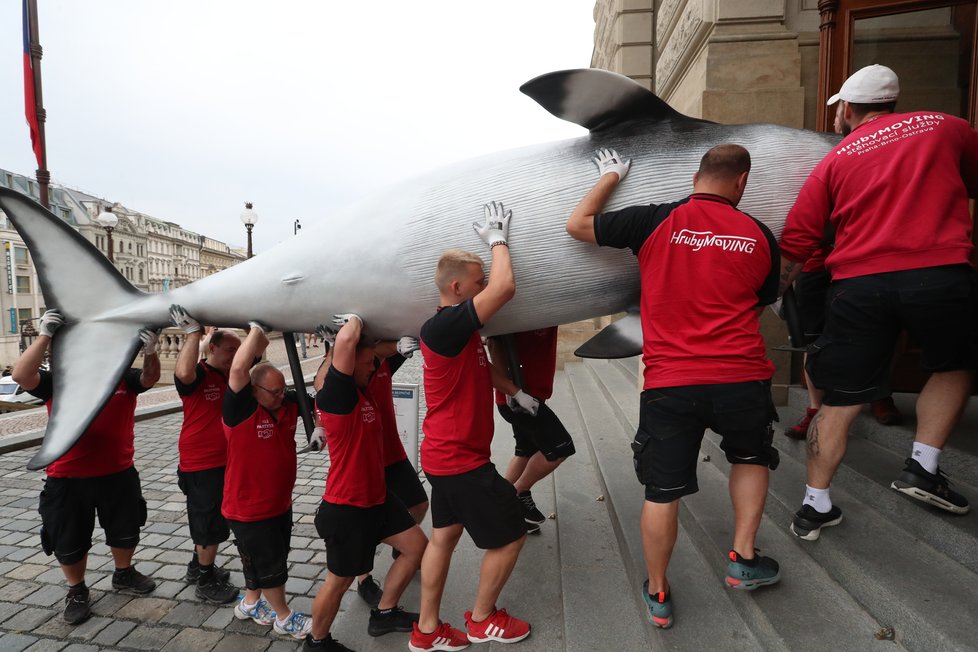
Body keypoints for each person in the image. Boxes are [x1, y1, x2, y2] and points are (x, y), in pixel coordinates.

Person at [566, 145, 782, 628]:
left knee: (662, 490)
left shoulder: (654, 220)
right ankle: (743, 558)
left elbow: (577, 224)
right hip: (741, 376)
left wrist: (611, 176)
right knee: (750, 458)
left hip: (671, 381)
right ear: (741, 182)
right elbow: (761, 302)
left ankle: (659, 592)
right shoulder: (760, 234)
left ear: (695, 176)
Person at [779, 64, 978, 540]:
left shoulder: (834, 158)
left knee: (841, 399)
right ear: (892, 102)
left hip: (857, 284)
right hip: (939, 272)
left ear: (847, 109)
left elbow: (799, 238)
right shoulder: (948, 127)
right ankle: (922, 466)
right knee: (954, 365)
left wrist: (772, 291)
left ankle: (814, 506)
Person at [409, 202, 536, 652]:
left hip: (445, 456)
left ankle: (426, 631)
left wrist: (515, 392)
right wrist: (499, 240)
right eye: (476, 282)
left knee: (443, 539)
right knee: (512, 534)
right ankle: (483, 619)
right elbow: (505, 286)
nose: (483, 287)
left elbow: (481, 372)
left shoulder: (456, 333)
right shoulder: (445, 325)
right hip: (461, 461)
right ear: (458, 286)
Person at [14, 309, 161, 625]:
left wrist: (150, 352)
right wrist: (45, 334)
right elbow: (21, 376)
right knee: (68, 536)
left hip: (118, 471)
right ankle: (76, 590)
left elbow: (150, 378)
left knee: (125, 528)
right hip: (68, 475)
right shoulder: (59, 380)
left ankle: (124, 573)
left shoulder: (122, 375)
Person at [305, 315, 428, 651]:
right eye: (366, 363)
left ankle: (384, 613)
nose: (372, 368)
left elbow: (378, 354)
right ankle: (316, 642)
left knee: (417, 547)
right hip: (347, 508)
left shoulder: (364, 391)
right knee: (338, 581)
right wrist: (354, 320)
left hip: (378, 498)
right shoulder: (337, 398)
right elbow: (345, 345)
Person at [783, 99, 901, 439]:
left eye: (838, 114)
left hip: (860, 265)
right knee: (810, 339)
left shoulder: (878, 153)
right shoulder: (816, 159)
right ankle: (814, 409)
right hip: (815, 267)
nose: (837, 121)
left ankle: (881, 396)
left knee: (879, 331)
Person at [223, 322, 312, 639]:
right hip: (249, 508)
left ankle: (249, 603)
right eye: (273, 391)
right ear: (254, 391)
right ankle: (284, 616)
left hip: (278, 503)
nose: (280, 395)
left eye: (281, 389)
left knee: (258, 557)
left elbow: (324, 394)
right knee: (270, 562)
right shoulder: (240, 410)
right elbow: (237, 369)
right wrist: (257, 331)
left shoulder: (286, 405)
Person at [352, 336, 431, 606]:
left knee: (419, 504)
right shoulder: (355, 369)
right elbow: (320, 384)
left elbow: (391, 349)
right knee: (367, 525)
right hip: (368, 463)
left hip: (393, 453)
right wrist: (395, 347)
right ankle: (364, 579)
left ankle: (402, 548)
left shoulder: (383, 362)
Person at [169, 305, 240, 603]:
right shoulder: (199, 374)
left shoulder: (231, 376)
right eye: (230, 349)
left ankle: (196, 565)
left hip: (225, 460)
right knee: (207, 519)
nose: (236, 354)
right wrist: (192, 333)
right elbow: (183, 372)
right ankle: (205, 579)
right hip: (202, 461)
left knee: (211, 517)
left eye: (239, 349)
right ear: (212, 348)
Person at [487, 329, 576, 534]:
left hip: (527, 398)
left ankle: (501, 511)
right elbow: (494, 342)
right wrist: (511, 391)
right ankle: (517, 495)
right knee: (561, 448)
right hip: (521, 400)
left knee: (525, 452)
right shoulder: (518, 308)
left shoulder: (544, 308)